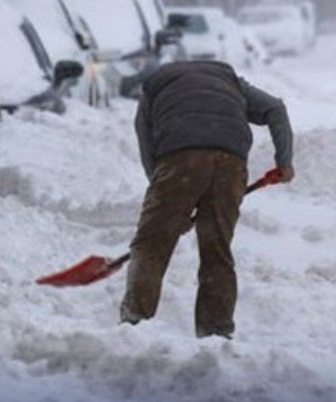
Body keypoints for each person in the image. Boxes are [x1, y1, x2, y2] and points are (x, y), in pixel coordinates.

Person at [121, 60, 294, 337]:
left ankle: (134, 325)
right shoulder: (232, 82)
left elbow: (147, 149)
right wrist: (284, 161)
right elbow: (276, 108)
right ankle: (216, 331)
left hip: (180, 159)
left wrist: (170, 206)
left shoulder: (154, 89)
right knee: (217, 250)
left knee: (150, 246)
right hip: (230, 162)